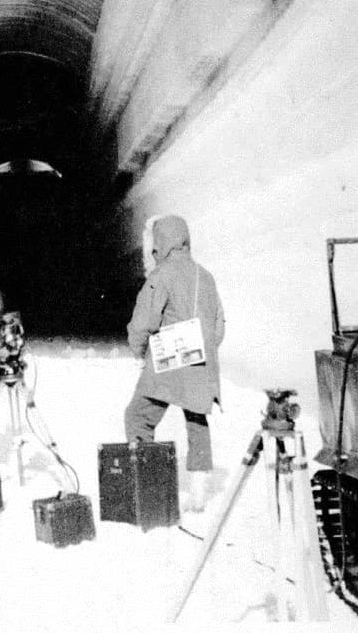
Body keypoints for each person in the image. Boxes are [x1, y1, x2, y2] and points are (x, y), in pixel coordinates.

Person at [124, 214, 225, 511]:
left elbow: (143, 322)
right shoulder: (206, 276)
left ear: (161, 242)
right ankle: (199, 490)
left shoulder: (161, 275)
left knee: (138, 416)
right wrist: (201, 349)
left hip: (167, 360)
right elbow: (219, 326)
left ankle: (149, 485)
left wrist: (139, 351)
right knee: (196, 419)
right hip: (199, 362)